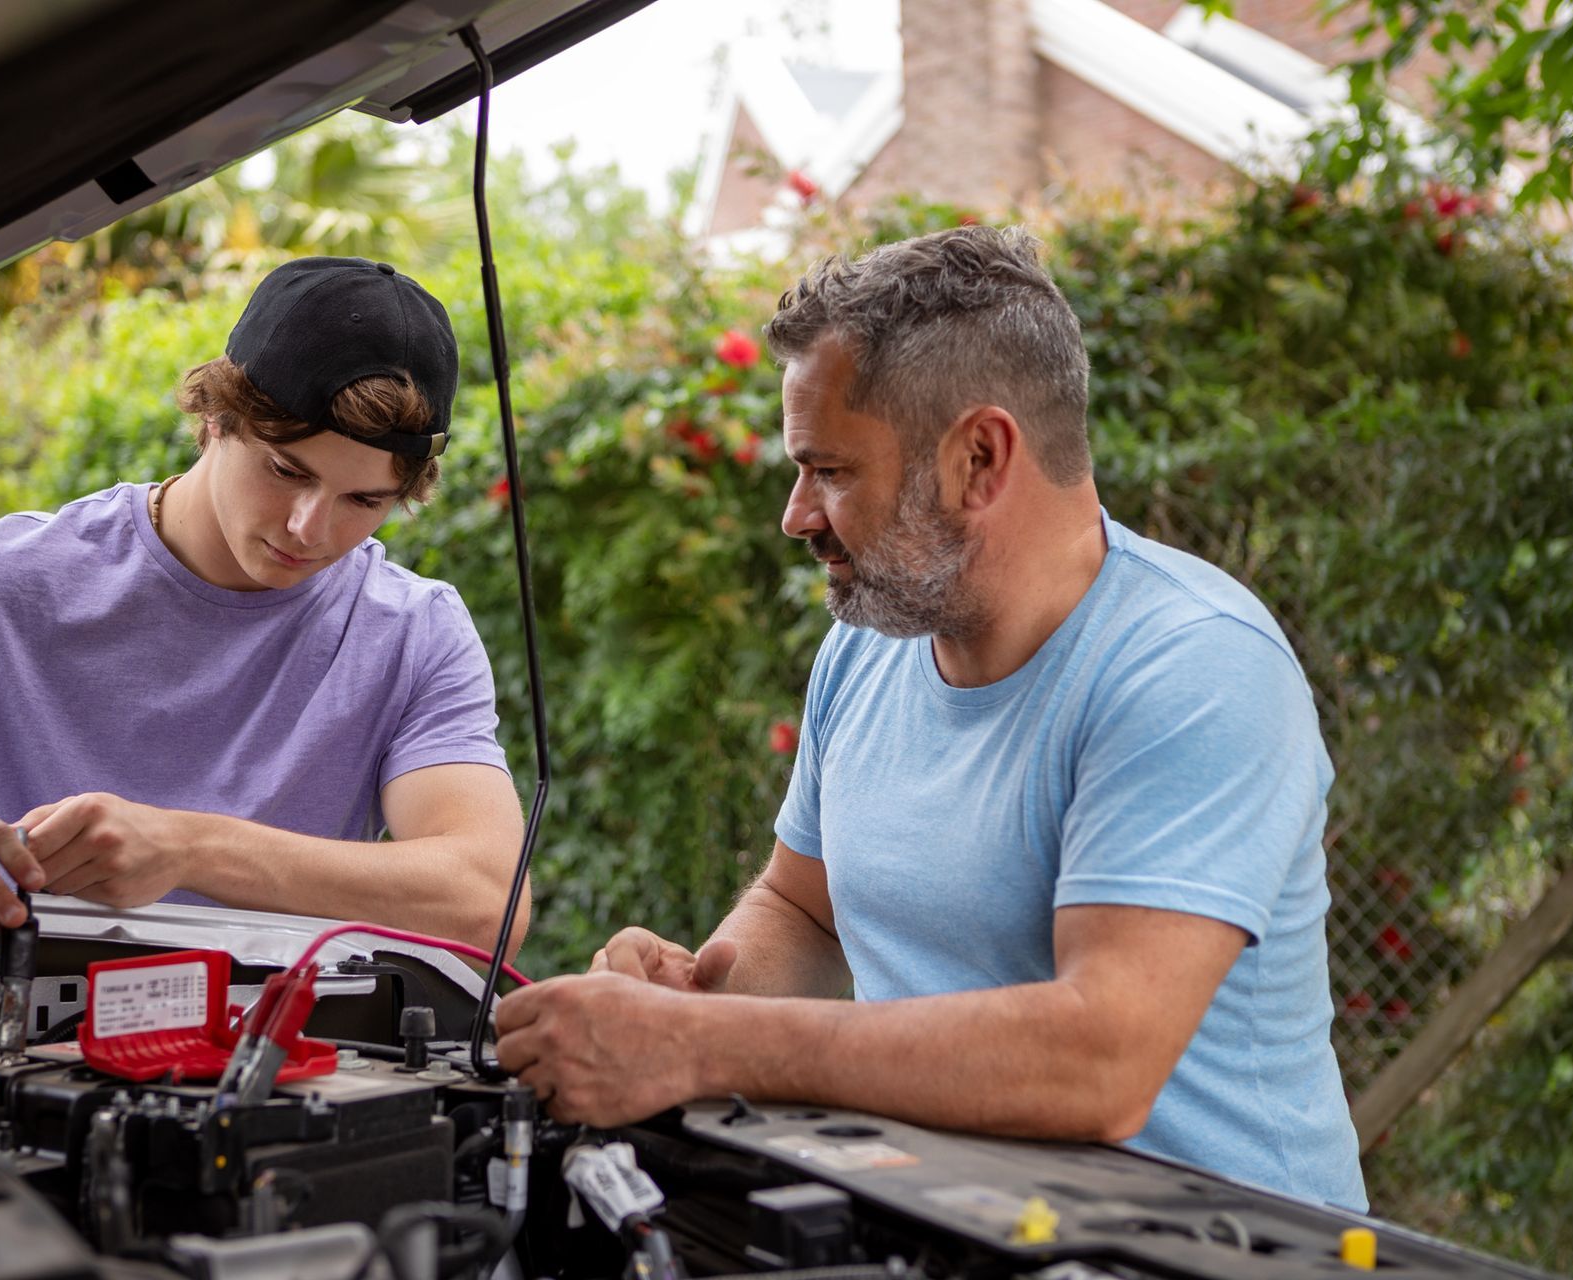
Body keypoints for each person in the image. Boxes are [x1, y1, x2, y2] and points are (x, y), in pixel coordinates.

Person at [495, 226, 1367, 1210]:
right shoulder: (872, 645)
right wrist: (694, 993)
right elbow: (803, 906)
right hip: (967, 1227)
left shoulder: (1194, 667)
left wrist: (697, 1045)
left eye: (829, 470)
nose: (796, 514)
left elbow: (1101, 1059)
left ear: (979, 458)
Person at [0, 257, 524, 956]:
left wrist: (187, 846)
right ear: (214, 419)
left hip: (293, 1087)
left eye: (363, 501)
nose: (311, 530)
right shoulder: (3, 581)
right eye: (286, 471)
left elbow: (488, 902)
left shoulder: (413, 630)